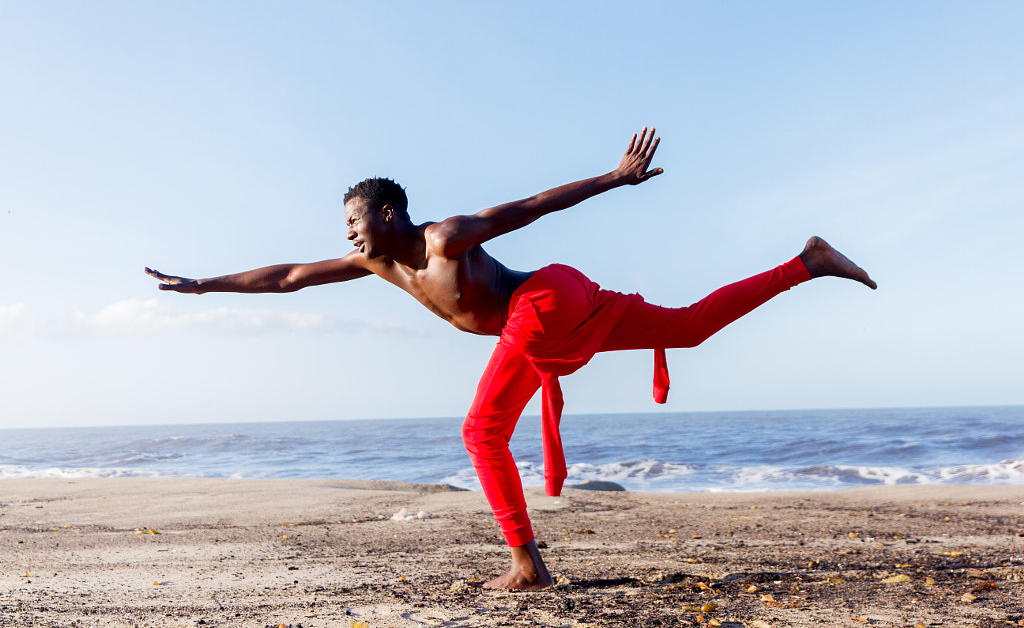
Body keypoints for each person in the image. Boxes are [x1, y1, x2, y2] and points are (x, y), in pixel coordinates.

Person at [146, 127, 876, 591]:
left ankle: (528, 564)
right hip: (556, 313)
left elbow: (531, 205)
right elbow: (288, 277)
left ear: (389, 214)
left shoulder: (444, 238)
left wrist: (614, 178)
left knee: (480, 430)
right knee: (685, 329)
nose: (348, 235)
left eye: (354, 221)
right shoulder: (374, 265)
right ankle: (806, 264)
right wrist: (204, 282)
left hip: (547, 301)